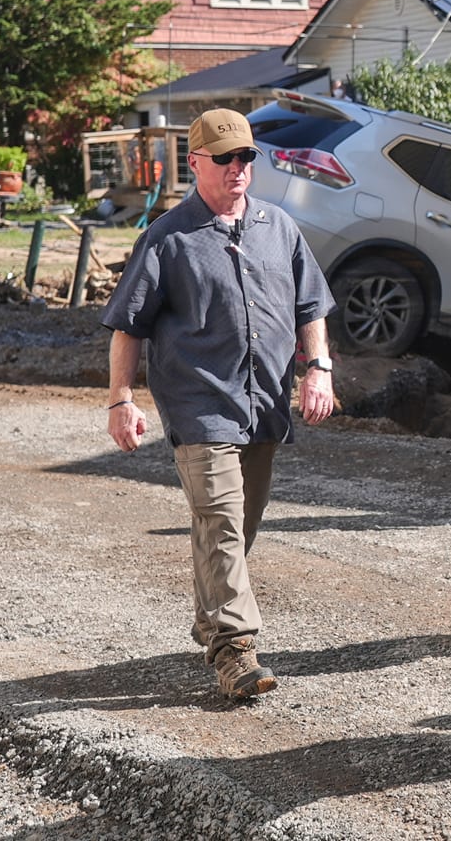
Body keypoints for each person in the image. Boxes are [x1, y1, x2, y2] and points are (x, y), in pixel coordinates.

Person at [101, 108, 335, 699]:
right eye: (225, 159)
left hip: (264, 405)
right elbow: (129, 327)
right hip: (199, 404)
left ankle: (211, 618)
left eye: (246, 158)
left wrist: (319, 369)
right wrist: (121, 400)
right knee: (223, 521)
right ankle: (235, 650)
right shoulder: (167, 237)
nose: (237, 169)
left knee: (237, 523)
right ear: (196, 162)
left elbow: (312, 308)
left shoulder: (279, 228)